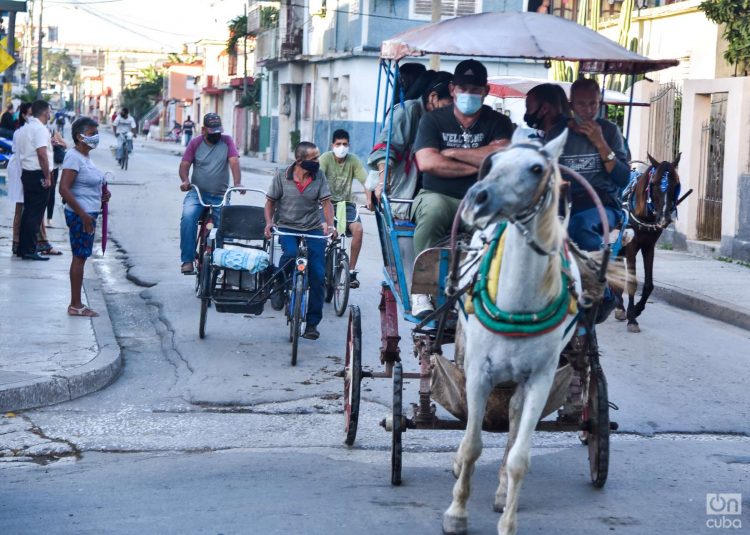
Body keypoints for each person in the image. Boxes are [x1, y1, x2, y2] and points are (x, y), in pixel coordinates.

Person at [411, 59, 515, 317]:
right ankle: (422, 291)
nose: (469, 93)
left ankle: (490, 290)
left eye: (475, 89)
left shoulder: (498, 121)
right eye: (463, 88)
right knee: (432, 211)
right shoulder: (433, 121)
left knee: (503, 228)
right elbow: (427, 162)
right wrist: (482, 161)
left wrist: (454, 152)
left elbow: (502, 155)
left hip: (482, 198)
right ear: (453, 88)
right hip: (439, 195)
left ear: (485, 91)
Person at [264, 141, 334, 341]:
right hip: (286, 226)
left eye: (318, 157)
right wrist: (269, 223)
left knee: (319, 275)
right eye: (313, 159)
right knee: (291, 254)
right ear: (299, 161)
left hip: (312, 228)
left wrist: (330, 225)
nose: (317, 162)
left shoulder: (318, 176)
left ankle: (312, 324)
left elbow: (326, 204)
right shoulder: (281, 176)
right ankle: (279, 279)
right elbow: (269, 203)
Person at [367, 70, 454, 219]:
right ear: (433, 97)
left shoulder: (448, 119)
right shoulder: (409, 111)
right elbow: (385, 148)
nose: (453, 111)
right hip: (409, 192)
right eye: (449, 105)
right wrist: (382, 182)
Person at [178, 112, 243, 274]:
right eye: (212, 131)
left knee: (225, 228)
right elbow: (184, 165)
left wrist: (237, 183)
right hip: (197, 193)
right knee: (187, 218)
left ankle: (222, 262)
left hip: (220, 195)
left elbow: (234, 161)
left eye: (218, 131)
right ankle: (187, 260)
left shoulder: (227, 141)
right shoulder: (195, 143)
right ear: (203, 130)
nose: (216, 135)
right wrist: (185, 181)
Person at [59, 117, 110, 317]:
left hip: (88, 212)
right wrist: (83, 215)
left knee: (82, 257)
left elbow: (87, 184)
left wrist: (103, 194)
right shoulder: (74, 157)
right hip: (81, 215)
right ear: (79, 137)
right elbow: (64, 188)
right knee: (79, 257)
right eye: (91, 134)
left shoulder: (85, 157)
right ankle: (76, 305)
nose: (95, 137)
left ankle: (77, 303)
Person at [318, 129, 368, 288]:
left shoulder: (353, 160)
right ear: (332, 145)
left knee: (358, 230)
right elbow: (318, 178)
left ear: (349, 145)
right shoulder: (325, 158)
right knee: (323, 231)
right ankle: (318, 268)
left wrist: (370, 199)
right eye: (338, 144)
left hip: (345, 205)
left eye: (345, 144)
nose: (341, 147)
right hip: (325, 203)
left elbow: (366, 181)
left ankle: (351, 272)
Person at [16, 100, 54, 261]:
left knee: (29, 212)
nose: (51, 114)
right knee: (35, 214)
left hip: (27, 173)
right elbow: (41, 154)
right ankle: (30, 249)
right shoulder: (39, 129)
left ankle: (23, 248)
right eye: (50, 111)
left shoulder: (25, 129)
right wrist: (47, 176)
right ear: (45, 113)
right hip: (38, 174)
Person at [8, 102, 32, 255]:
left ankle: (21, 242)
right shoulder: (22, 132)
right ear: (23, 115)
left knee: (25, 208)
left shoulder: (30, 130)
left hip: (24, 169)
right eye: (30, 114)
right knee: (20, 207)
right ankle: (17, 242)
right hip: (20, 170)